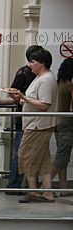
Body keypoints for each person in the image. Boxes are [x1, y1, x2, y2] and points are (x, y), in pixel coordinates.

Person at [8, 47, 58, 203]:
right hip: (36, 123)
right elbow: (35, 99)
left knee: (25, 156)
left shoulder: (46, 79)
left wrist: (25, 98)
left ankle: (33, 190)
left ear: (41, 63)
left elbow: (44, 104)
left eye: (33, 62)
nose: (30, 65)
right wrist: (23, 99)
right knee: (43, 159)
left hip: (37, 125)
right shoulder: (41, 78)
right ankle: (47, 192)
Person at [7, 45, 44, 189]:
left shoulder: (40, 76)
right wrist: (21, 99)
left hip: (35, 119)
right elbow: (13, 91)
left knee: (31, 154)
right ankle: (14, 184)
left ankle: (29, 185)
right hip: (24, 119)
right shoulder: (23, 73)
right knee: (20, 152)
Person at [52, 58, 73, 189]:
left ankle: (63, 185)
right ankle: (43, 187)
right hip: (67, 122)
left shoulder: (57, 83)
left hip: (56, 121)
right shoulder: (70, 86)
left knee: (61, 153)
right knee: (62, 156)